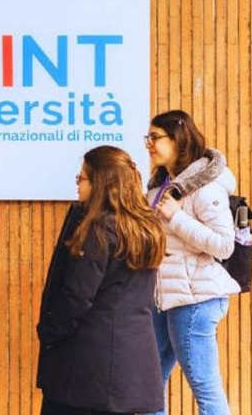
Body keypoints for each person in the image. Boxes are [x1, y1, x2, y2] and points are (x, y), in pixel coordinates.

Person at [37, 145, 166, 415]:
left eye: (82, 177)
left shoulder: (98, 229)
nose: (77, 182)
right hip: (128, 368)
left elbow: (77, 296)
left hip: (87, 371)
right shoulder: (146, 228)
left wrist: (48, 331)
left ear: (100, 183)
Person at [145, 110, 240, 415]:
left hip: (195, 300)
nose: (149, 144)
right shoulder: (160, 186)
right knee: (148, 383)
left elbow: (224, 245)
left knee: (204, 387)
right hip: (165, 297)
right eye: (148, 138)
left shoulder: (206, 187)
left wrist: (176, 217)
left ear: (178, 138)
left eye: (155, 137)